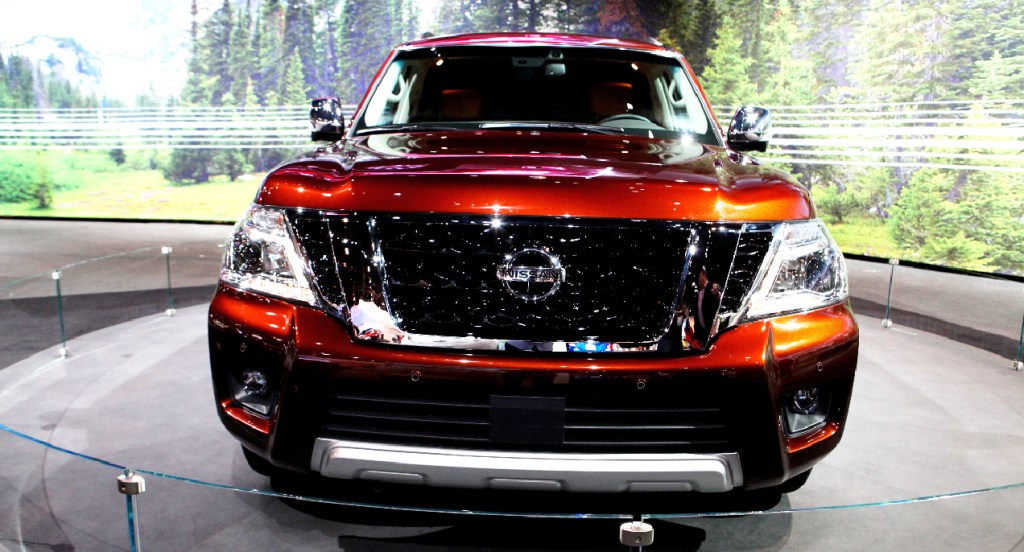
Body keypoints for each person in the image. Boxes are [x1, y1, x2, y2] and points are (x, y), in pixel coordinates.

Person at [690, 266, 721, 348]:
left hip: (712, 332)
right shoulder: (697, 295)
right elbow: (697, 316)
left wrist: (717, 293)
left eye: (699, 276)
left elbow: (718, 294)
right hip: (700, 336)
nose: (697, 279)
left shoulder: (712, 286)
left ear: (703, 274)